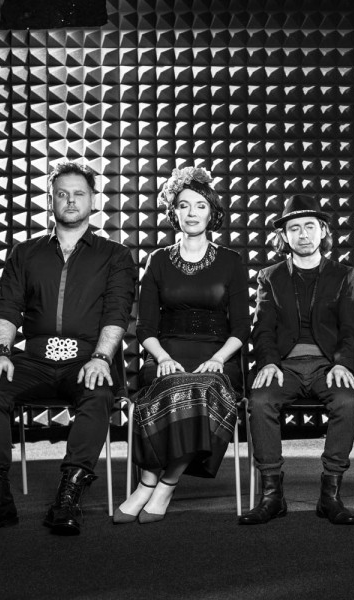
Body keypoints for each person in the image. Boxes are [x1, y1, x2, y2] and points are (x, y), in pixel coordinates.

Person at [0, 162, 137, 536]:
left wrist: (102, 357)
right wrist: (1, 353)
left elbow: (117, 312)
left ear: (93, 200)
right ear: (51, 200)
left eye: (79, 194)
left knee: (98, 391)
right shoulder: (25, 253)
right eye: (62, 194)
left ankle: (68, 496)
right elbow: (7, 307)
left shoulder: (115, 255)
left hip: (87, 358)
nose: (70, 200)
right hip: (35, 359)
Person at [114, 166, 250, 524]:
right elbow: (144, 327)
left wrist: (219, 359)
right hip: (166, 355)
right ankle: (147, 481)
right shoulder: (157, 261)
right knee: (169, 385)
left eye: (200, 206)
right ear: (173, 212)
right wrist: (162, 358)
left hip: (218, 357)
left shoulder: (231, 261)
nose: (192, 213)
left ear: (212, 212)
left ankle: (162, 483)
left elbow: (241, 327)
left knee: (203, 388)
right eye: (184, 205)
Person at [239, 195, 354, 526]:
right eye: (294, 228)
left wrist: (343, 363)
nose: (303, 234)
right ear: (284, 235)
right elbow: (263, 329)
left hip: (328, 366)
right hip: (284, 367)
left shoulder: (344, 274)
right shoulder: (270, 276)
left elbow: (351, 328)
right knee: (260, 401)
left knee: (347, 401)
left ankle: (330, 495)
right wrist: (268, 362)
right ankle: (272, 496)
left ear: (323, 231)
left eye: (310, 226)